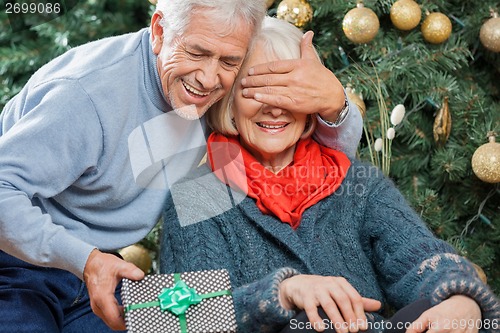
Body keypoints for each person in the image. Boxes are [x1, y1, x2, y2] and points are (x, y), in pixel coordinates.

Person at [0, 0, 363, 332]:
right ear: (159, 31)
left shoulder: (216, 104)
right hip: (15, 263)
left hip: (97, 271)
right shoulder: (84, 96)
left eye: (228, 61)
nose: (207, 79)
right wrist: (86, 261)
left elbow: (311, 166)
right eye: (197, 52)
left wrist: (335, 106)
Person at [160, 16, 500, 333]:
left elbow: (421, 258)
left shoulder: (359, 183)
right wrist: (281, 293)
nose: (275, 106)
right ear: (228, 101)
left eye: (291, 90)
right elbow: (185, 316)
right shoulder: (195, 198)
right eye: (257, 89)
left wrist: (461, 299)